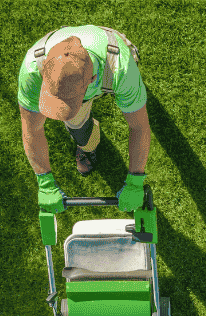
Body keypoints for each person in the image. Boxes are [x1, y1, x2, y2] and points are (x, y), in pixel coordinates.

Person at [18, 25, 150, 215]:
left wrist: (135, 181)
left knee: (132, 94)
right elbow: (31, 129)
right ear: (44, 67)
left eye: (67, 101)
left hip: (110, 60)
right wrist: (44, 182)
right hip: (92, 77)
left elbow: (138, 126)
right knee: (80, 131)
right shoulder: (32, 70)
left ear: (92, 79)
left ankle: (124, 91)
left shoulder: (120, 68)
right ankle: (88, 146)